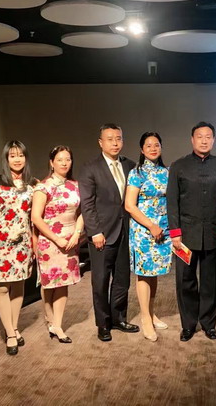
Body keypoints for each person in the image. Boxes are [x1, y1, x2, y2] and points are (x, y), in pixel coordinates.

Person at [167, 121, 216, 342]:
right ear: (192, 140)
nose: (204, 140)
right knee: (186, 280)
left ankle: (209, 324)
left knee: (210, 281)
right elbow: (172, 201)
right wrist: (175, 232)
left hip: (211, 232)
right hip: (184, 236)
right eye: (200, 136)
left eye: (208, 137)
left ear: (213, 140)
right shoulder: (178, 166)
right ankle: (188, 325)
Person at [79, 124, 139, 342]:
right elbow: (87, 204)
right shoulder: (90, 168)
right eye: (110, 139)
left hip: (126, 232)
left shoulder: (130, 166)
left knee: (122, 279)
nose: (115, 143)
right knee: (101, 281)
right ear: (100, 142)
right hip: (102, 234)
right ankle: (103, 323)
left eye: (119, 138)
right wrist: (95, 232)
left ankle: (118, 318)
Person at [0, 140, 37, 355]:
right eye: (12, 155)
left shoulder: (31, 185)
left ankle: (13, 327)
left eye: (21, 155)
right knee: (3, 288)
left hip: (22, 244)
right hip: (0, 243)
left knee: (19, 286)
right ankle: (10, 333)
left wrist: (33, 243)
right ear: (6, 158)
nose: (17, 159)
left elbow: (33, 218)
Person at [32, 145, 83, 344]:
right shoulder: (43, 187)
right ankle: (49, 318)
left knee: (63, 283)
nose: (64, 163)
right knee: (49, 282)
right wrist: (57, 238)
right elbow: (36, 218)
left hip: (71, 240)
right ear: (51, 163)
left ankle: (58, 325)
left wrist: (76, 234)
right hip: (50, 241)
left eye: (68, 159)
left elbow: (82, 212)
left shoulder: (75, 185)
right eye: (60, 159)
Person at [124, 132, 172, 342]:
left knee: (155, 273)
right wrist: (151, 225)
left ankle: (152, 313)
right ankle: (145, 318)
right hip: (143, 229)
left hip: (163, 229)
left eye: (156, 145)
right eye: (148, 145)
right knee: (144, 273)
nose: (153, 148)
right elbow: (129, 205)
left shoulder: (166, 172)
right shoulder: (136, 173)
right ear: (142, 150)